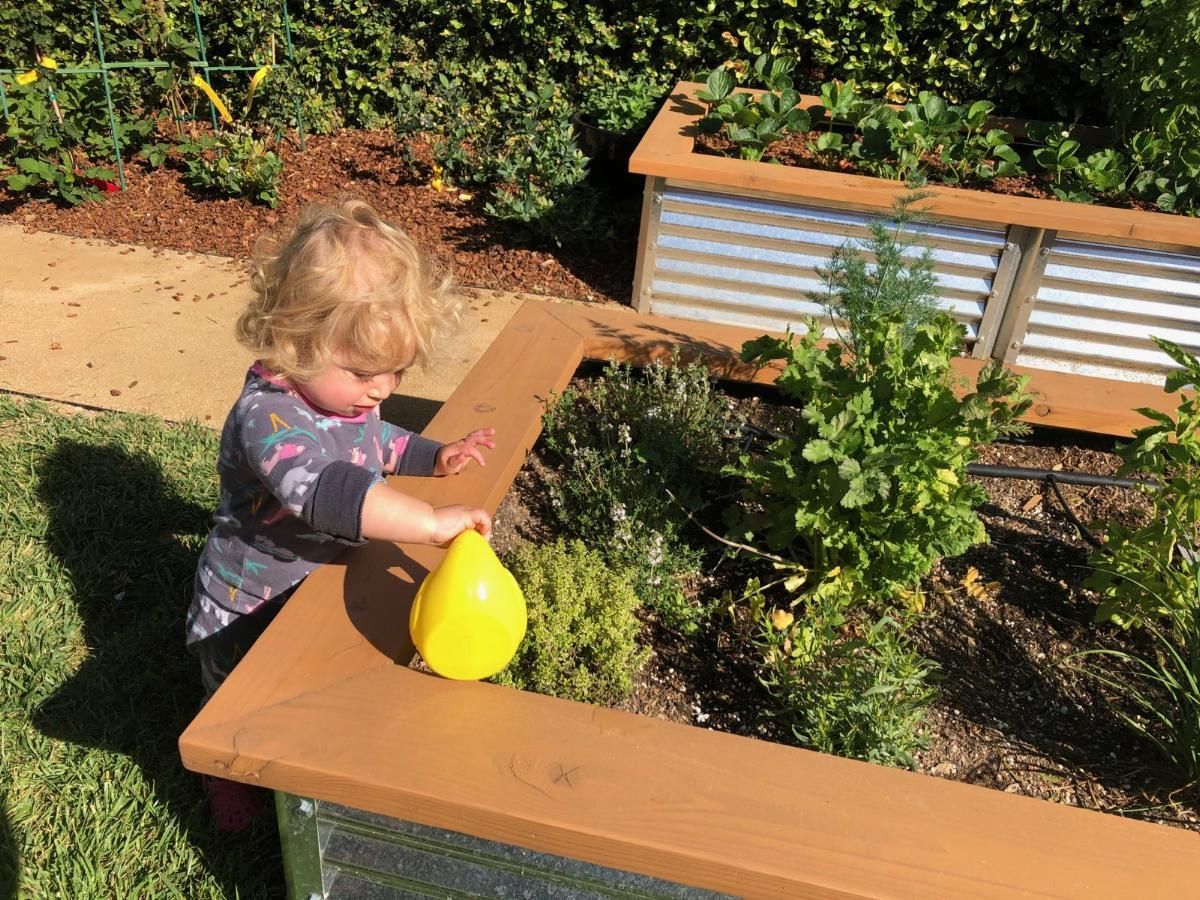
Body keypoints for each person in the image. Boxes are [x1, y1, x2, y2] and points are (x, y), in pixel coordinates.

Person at [185, 199, 494, 831]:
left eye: (396, 372)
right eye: (363, 373)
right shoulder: (267, 416)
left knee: (307, 691)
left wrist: (434, 458)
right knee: (242, 702)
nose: (381, 390)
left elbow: (372, 443)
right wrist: (431, 525)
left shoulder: (346, 399)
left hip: (316, 578)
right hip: (248, 604)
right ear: (296, 340)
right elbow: (330, 488)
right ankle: (227, 775)